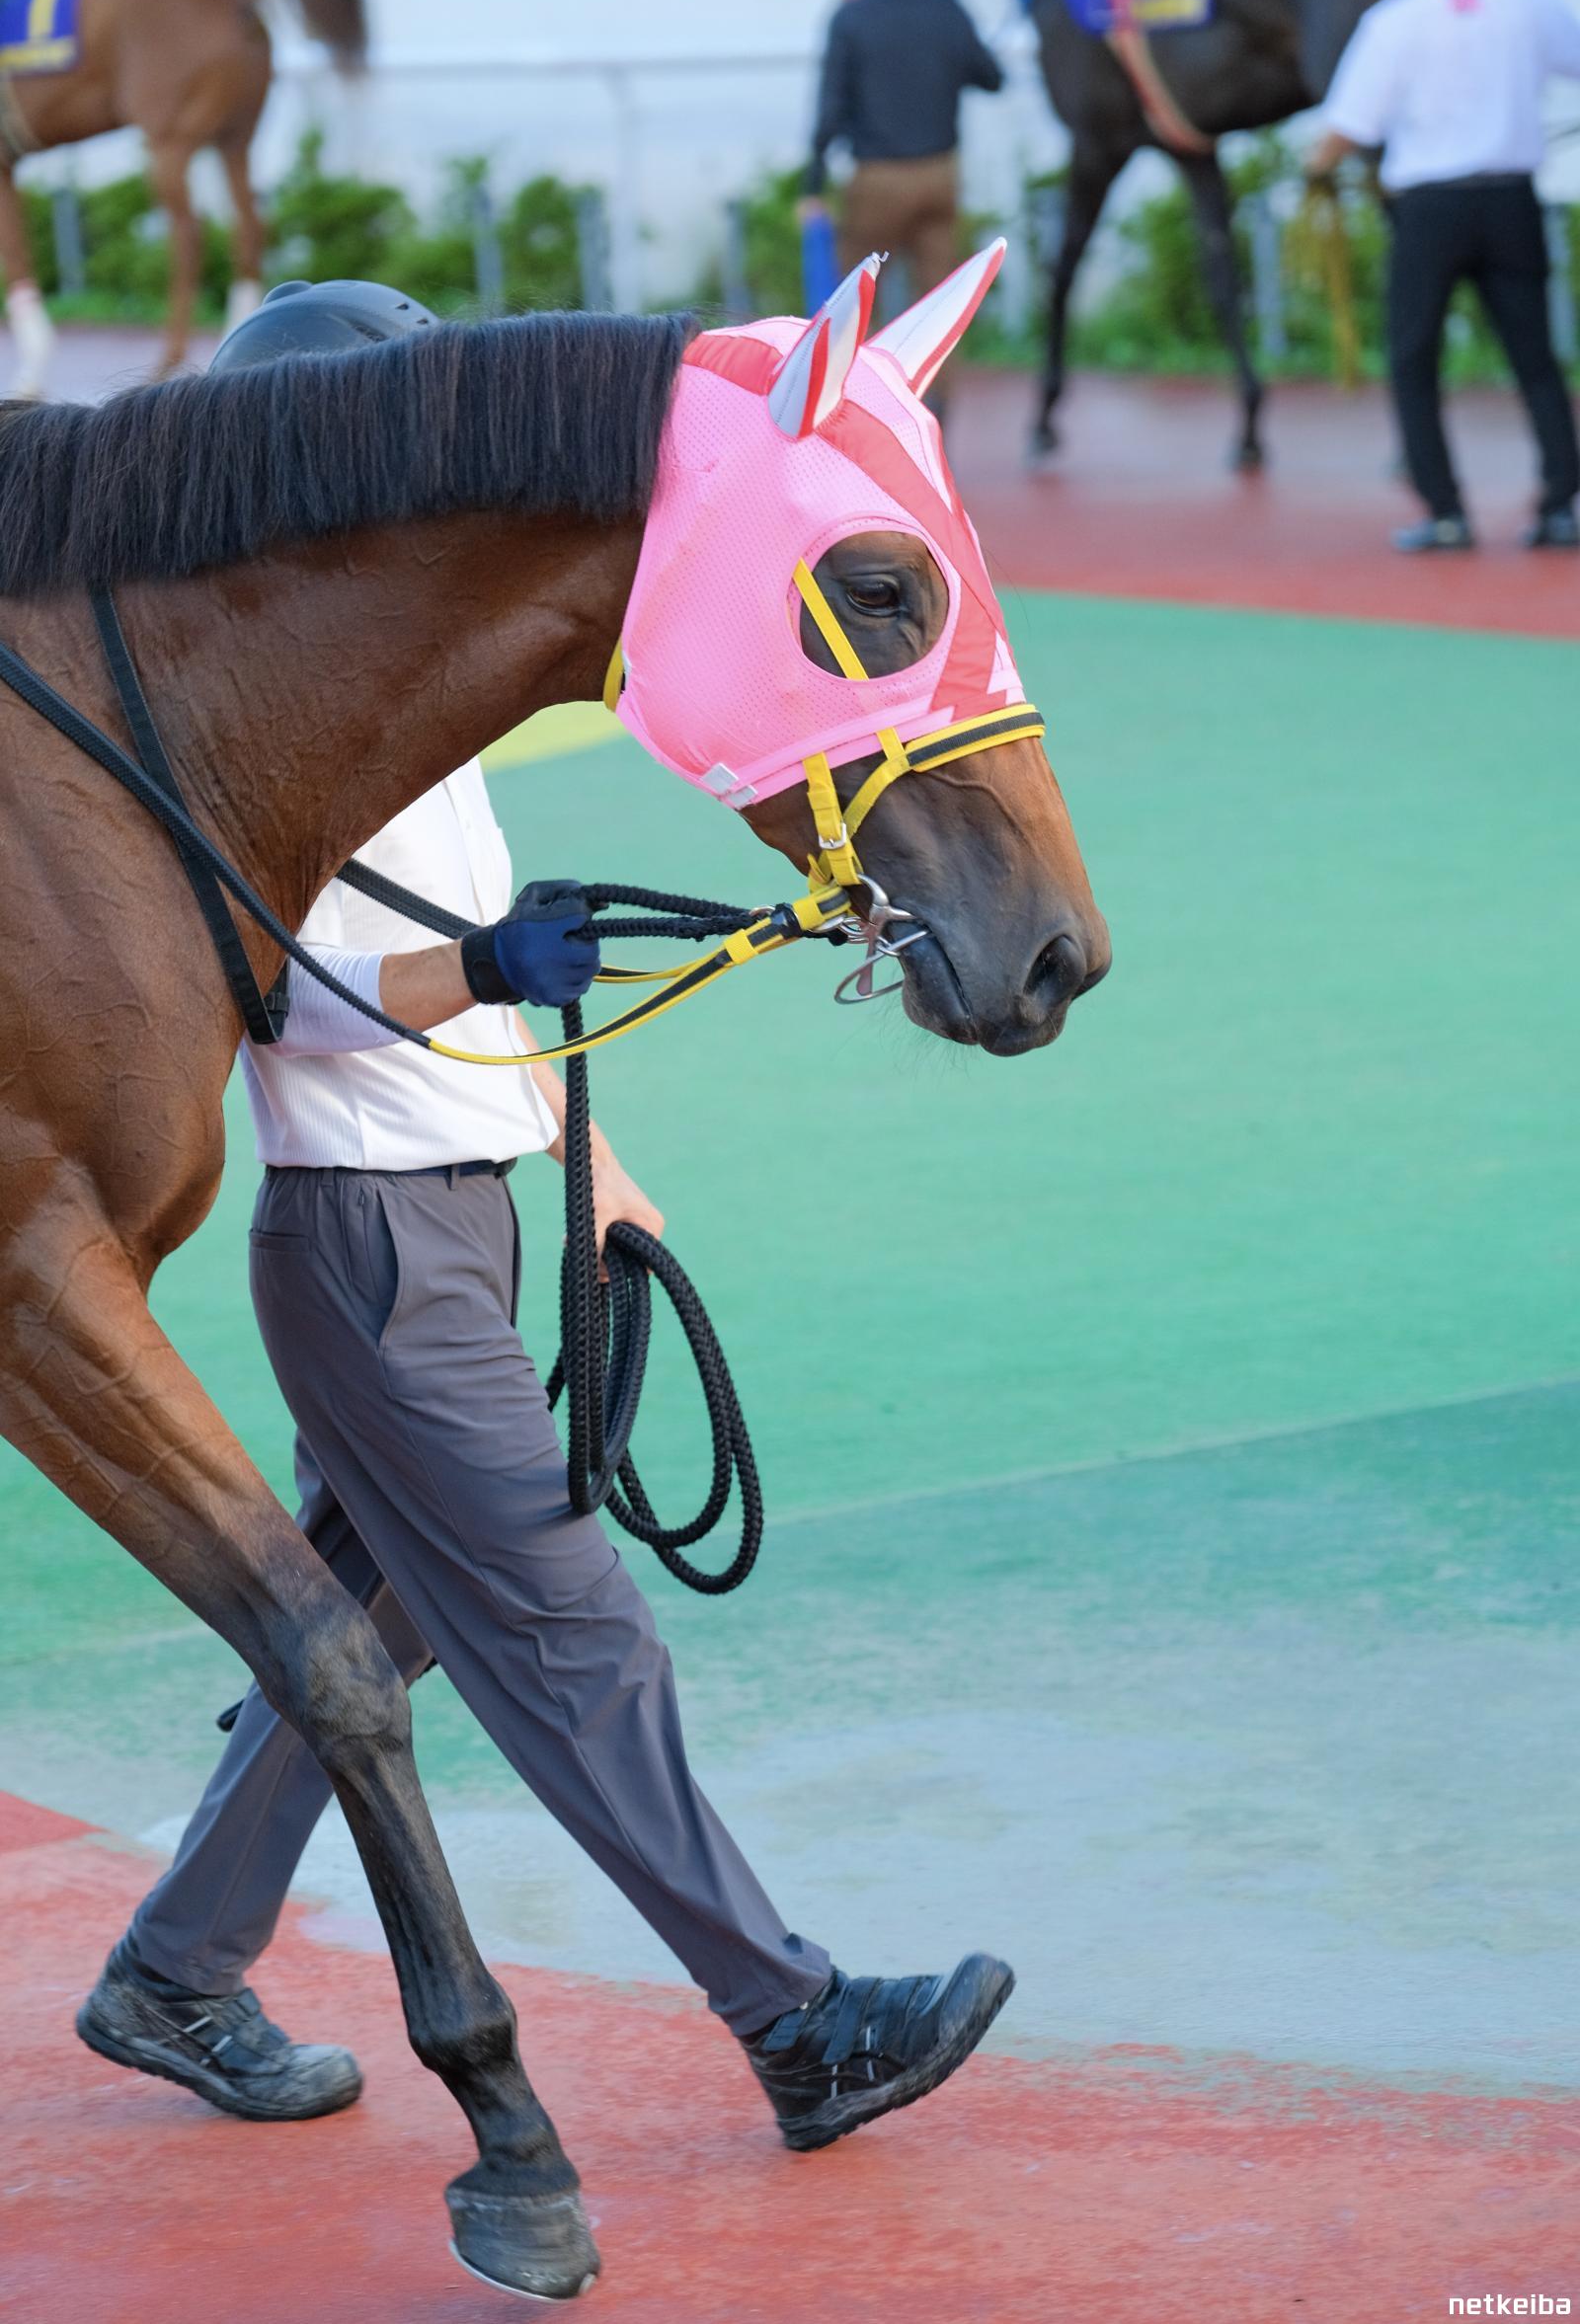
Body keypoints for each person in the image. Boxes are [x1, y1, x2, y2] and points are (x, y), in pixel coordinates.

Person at [73, 279, 1012, 2157]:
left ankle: (172, 1969)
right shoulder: (256, 732)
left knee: (365, 1619)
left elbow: (492, 993)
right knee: (574, 1635)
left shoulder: (421, 707)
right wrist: (488, 966)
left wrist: (587, 1153)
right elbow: (274, 998)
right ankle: (800, 2023)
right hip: (365, 1246)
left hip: (461, 1219)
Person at [1306, 0, 1580, 555]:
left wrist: (1316, 165)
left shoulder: (1395, 19)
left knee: (1413, 360)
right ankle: (1563, 505)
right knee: (1535, 358)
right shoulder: (1527, 5)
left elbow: (1351, 123)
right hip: (1512, 201)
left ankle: (1447, 513)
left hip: (1429, 212)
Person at [802, 0, 1002, 391]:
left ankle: (855, 402)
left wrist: (813, 183)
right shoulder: (945, 7)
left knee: (855, 307)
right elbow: (992, 77)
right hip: (940, 174)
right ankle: (936, 411)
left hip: (878, 178)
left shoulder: (851, 16)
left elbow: (830, 109)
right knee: (937, 308)